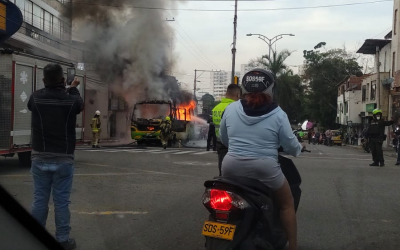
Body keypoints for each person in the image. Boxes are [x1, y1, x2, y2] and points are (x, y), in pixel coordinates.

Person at [220, 69, 303, 250]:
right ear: (271, 89)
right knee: (286, 205)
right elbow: (290, 144)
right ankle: (293, 247)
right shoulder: (278, 113)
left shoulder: (231, 108)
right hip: (265, 168)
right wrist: (298, 149)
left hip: (230, 166)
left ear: (244, 88)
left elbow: (224, 138)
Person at [28, 63, 83, 250]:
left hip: (39, 157)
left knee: (39, 200)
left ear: (44, 81)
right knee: (61, 202)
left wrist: (64, 87)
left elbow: (41, 97)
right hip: (63, 159)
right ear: (62, 80)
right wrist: (73, 87)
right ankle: (62, 240)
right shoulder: (71, 100)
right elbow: (77, 103)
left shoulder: (35, 98)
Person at [212, 84, 241, 176]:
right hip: (232, 141)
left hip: (219, 140)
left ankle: (222, 179)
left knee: (221, 161)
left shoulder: (216, 108)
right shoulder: (235, 107)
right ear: (238, 95)